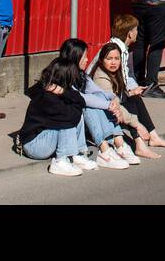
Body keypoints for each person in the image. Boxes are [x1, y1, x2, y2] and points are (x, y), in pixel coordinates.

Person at [58, 38, 136, 168]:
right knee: (89, 105)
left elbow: (98, 91)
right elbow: (82, 98)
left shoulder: (81, 75)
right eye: (84, 57)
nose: (88, 60)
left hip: (84, 125)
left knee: (99, 96)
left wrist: (114, 100)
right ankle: (104, 150)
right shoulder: (62, 76)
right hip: (68, 128)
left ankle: (119, 144)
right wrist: (109, 105)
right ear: (75, 57)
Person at [15, 49, 93, 177]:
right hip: (34, 145)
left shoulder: (59, 90)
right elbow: (70, 117)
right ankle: (60, 161)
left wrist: (64, 92)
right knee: (68, 121)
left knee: (74, 115)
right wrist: (74, 106)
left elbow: (81, 101)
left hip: (44, 137)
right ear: (66, 78)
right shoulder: (47, 97)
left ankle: (78, 153)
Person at [108, 16, 165, 151]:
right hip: (105, 95)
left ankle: (152, 137)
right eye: (136, 30)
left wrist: (133, 89)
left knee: (134, 96)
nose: (137, 33)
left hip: (112, 91)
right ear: (130, 33)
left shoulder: (120, 46)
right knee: (132, 99)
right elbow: (117, 83)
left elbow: (125, 78)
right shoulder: (117, 50)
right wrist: (131, 91)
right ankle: (142, 141)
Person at [89, 42, 165, 159]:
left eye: (117, 59)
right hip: (104, 115)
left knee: (134, 98)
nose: (113, 62)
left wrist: (131, 92)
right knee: (128, 105)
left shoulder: (114, 73)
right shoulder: (100, 77)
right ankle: (140, 145)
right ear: (101, 60)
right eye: (109, 59)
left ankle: (151, 136)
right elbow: (114, 105)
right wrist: (137, 125)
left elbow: (117, 97)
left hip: (113, 109)